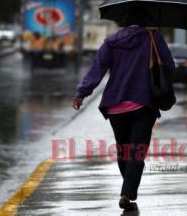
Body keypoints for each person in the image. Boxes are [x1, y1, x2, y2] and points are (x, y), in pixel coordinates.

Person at [72, 25, 175, 210]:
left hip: (115, 105)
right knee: (137, 151)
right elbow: (169, 65)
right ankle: (126, 193)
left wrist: (81, 93)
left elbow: (97, 69)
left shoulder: (111, 42)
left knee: (124, 150)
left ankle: (127, 191)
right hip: (143, 103)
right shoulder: (153, 37)